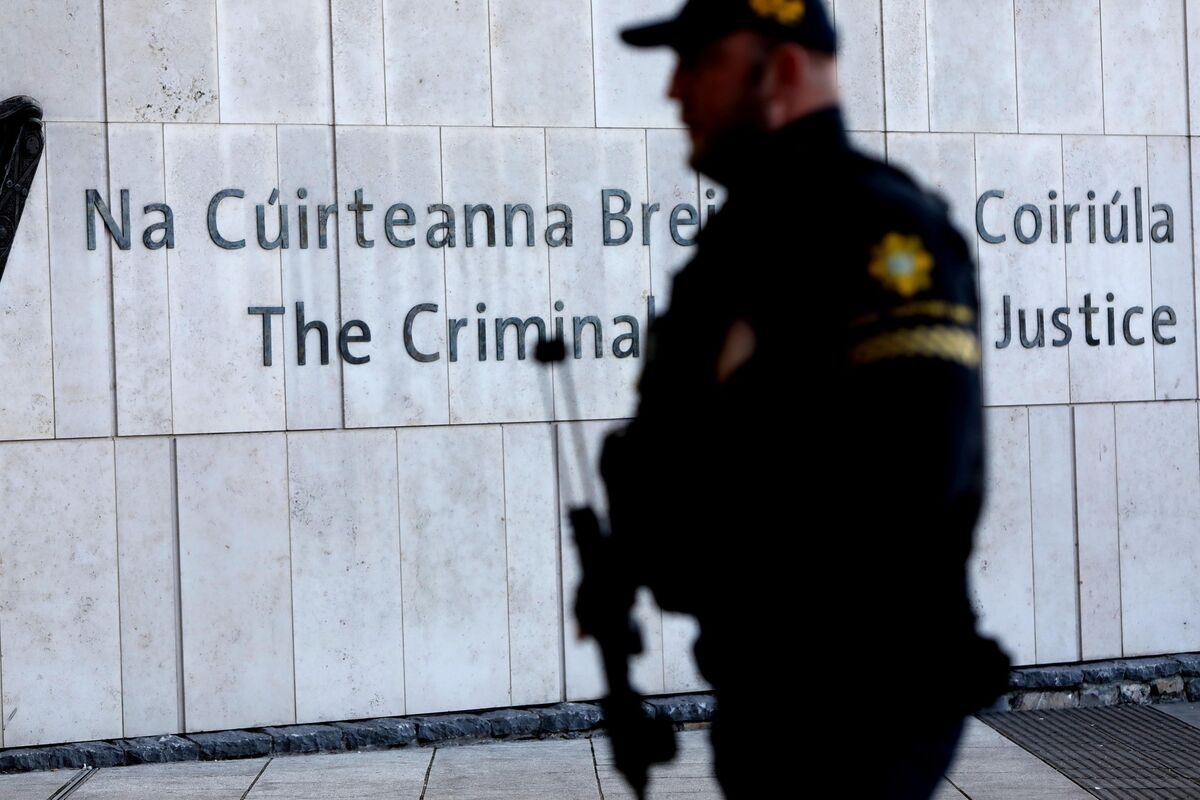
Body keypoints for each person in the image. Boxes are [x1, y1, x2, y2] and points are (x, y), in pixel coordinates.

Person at [593, 1, 1013, 797]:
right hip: (771, 691)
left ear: (780, 71)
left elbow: (912, 475)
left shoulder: (879, 228)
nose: (674, 91)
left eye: (700, 62)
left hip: (860, 704)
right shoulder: (747, 236)